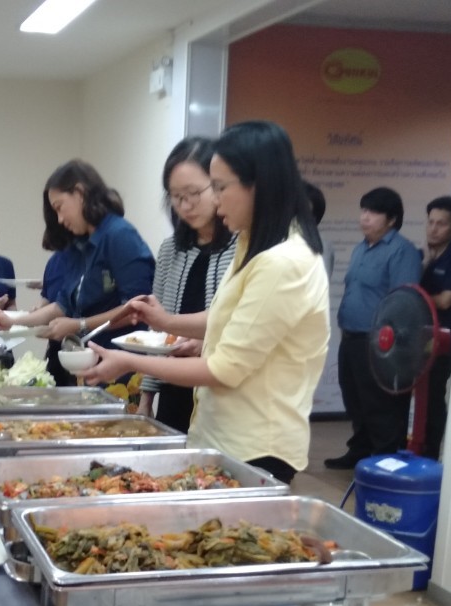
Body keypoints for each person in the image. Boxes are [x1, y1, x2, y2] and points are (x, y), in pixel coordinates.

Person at [81, 120, 329, 484]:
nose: (214, 199)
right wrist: (166, 322)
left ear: (258, 183)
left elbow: (224, 369)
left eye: (219, 187)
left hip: (255, 446)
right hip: (221, 435)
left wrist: (128, 361)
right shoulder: (252, 243)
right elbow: (228, 317)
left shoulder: (283, 261)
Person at [0, 160, 153, 385]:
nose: (59, 219)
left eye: (59, 207)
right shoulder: (80, 244)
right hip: (89, 364)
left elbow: (137, 308)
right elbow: (62, 306)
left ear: (80, 193)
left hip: (120, 366)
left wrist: (78, 325)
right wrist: (13, 321)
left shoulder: (120, 235)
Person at [134, 137, 238, 433]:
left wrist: (206, 345)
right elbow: (157, 333)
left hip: (219, 391)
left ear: (218, 186)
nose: (186, 205)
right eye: (176, 197)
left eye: (194, 193)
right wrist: (146, 399)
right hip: (173, 386)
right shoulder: (171, 249)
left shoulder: (241, 247)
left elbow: (243, 324)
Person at [325, 186, 422, 468]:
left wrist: (388, 343)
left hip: (380, 342)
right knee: (355, 398)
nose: (365, 217)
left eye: (374, 212)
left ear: (391, 219)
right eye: (364, 210)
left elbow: (403, 302)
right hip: (351, 337)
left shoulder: (401, 251)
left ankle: (384, 458)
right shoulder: (360, 249)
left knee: (379, 403)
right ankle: (360, 450)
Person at [419, 195, 451, 460]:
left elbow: (446, 300)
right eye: (431, 222)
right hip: (418, 336)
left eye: (442, 224)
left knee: (434, 397)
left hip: (443, 341)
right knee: (416, 397)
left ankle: (430, 452)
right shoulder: (423, 255)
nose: (434, 229)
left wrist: (417, 297)